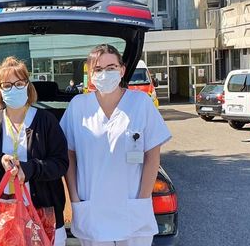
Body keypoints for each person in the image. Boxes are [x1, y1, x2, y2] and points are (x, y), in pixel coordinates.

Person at [60, 44, 172, 246]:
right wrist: (74, 199)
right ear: (90, 74)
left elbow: (152, 157)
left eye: (111, 67)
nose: (105, 73)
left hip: (131, 208)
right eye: (98, 69)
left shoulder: (141, 103)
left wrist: (142, 199)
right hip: (91, 208)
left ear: (122, 70)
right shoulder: (78, 106)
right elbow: (68, 157)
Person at [0, 57, 69, 246]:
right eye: (6, 85)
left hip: (43, 213)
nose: (13, 89)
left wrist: (29, 169)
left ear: (27, 85)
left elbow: (60, 163)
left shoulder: (46, 121)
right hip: (3, 216)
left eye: (18, 83)